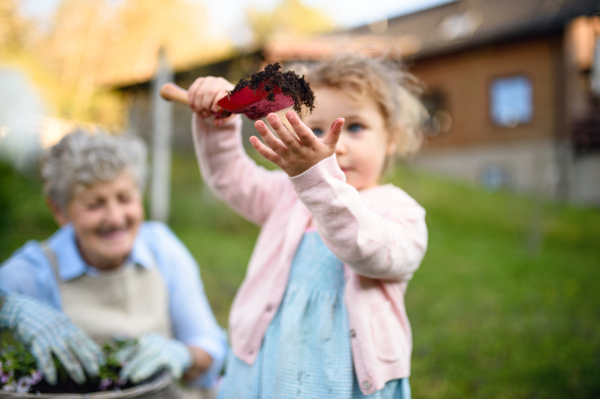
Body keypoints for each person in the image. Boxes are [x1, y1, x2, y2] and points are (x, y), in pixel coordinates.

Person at [187, 53, 429, 398]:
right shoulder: (288, 194)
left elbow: (367, 250)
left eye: (355, 127)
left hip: (343, 379)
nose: (335, 146)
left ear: (392, 136)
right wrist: (219, 118)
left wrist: (316, 180)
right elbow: (230, 178)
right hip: (265, 367)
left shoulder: (398, 209)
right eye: (314, 130)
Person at [0, 131, 227, 396]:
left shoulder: (161, 247)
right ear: (59, 211)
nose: (116, 217)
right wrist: (8, 308)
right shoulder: (39, 268)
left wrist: (185, 356)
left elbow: (210, 346)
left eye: (125, 198)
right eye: (95, 204)